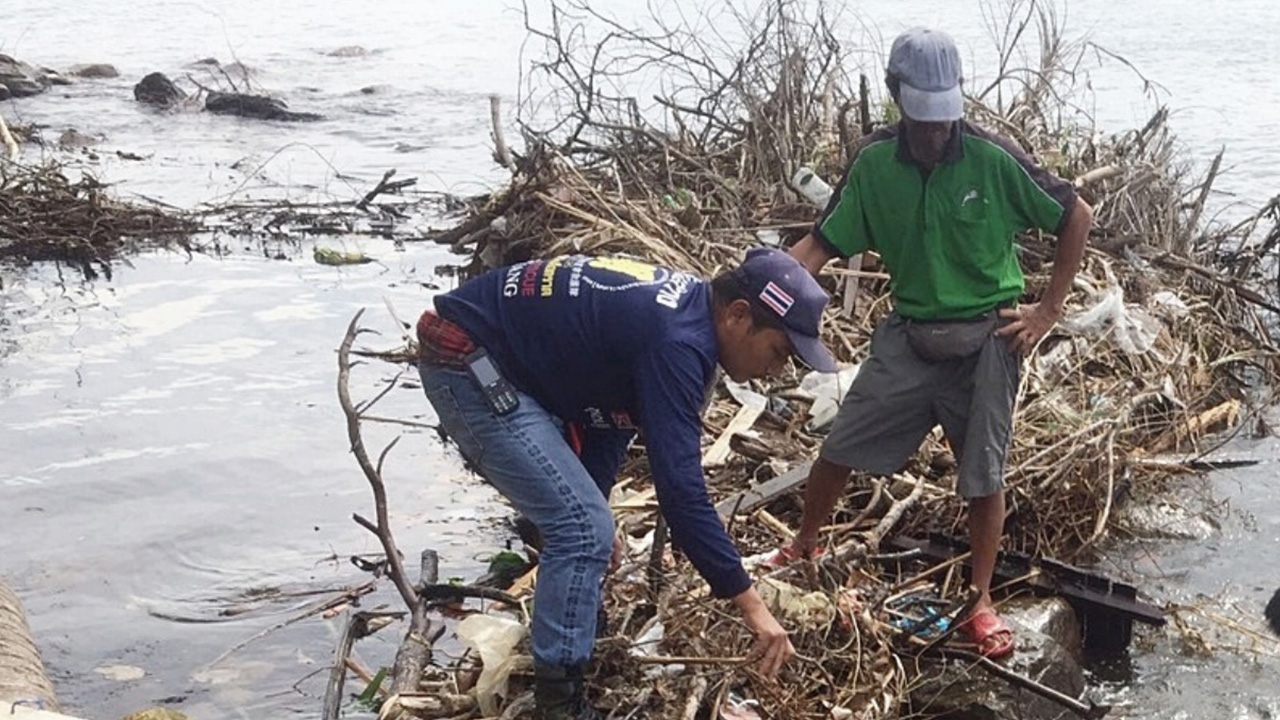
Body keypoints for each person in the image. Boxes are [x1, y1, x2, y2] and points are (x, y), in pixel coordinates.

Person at [780, 28, 1094, 659]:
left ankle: (979, 601)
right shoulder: (874, 165)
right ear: (897, 99)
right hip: (910, 334)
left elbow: (1075, 215)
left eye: (942, 119)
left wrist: (1048, 310)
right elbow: (818, 245)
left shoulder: (991, 158)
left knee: (983, 474)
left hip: (987, 339)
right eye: (921, 120)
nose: (933, 133)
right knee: (840, 446)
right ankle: (803, 545)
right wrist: (766, 295)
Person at [416, 248, 836, 719]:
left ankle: (576, 644)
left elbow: (611, 417)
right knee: (581, 529)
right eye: (779, 352)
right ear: (739, 316)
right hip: (468, 359)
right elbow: (681, 493)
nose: (775, 371)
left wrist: (593, 503)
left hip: (507, 362)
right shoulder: (678, 342)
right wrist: (751, 603)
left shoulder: (686, 320)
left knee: (586, 524)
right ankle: (560, 706)